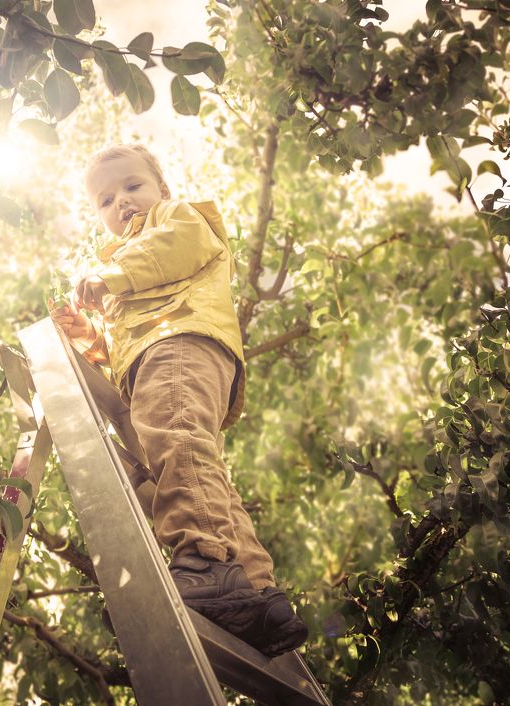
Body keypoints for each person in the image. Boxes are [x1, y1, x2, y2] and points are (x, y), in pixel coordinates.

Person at [49, 144, 308, 657]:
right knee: (199, 468)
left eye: (132, 186)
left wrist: (109, 276)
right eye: (105, 199)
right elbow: (126, 349)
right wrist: (89, 339)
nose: (121, 202)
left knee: (176, 442)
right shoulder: (128, 272)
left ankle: (206, 560)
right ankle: (257, 595)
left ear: (161, 190)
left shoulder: (178, 219)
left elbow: (177, 245)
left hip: (182, 344)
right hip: (160, 356)